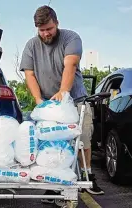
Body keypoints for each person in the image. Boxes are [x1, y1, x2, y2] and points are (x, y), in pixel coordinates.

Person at [20, 5, 104, 202]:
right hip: (49, 106)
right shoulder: (31, 46)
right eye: (41, 30)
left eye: (49, 28)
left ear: (56, 23)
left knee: (82, 139)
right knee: (52, 145)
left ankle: (87, 175)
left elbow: (70, 65)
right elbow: (29, 74)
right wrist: (39, 100)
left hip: (74, 100)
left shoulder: (71, 38)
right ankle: (53, 184)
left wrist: (63, 92)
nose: (46, 33)